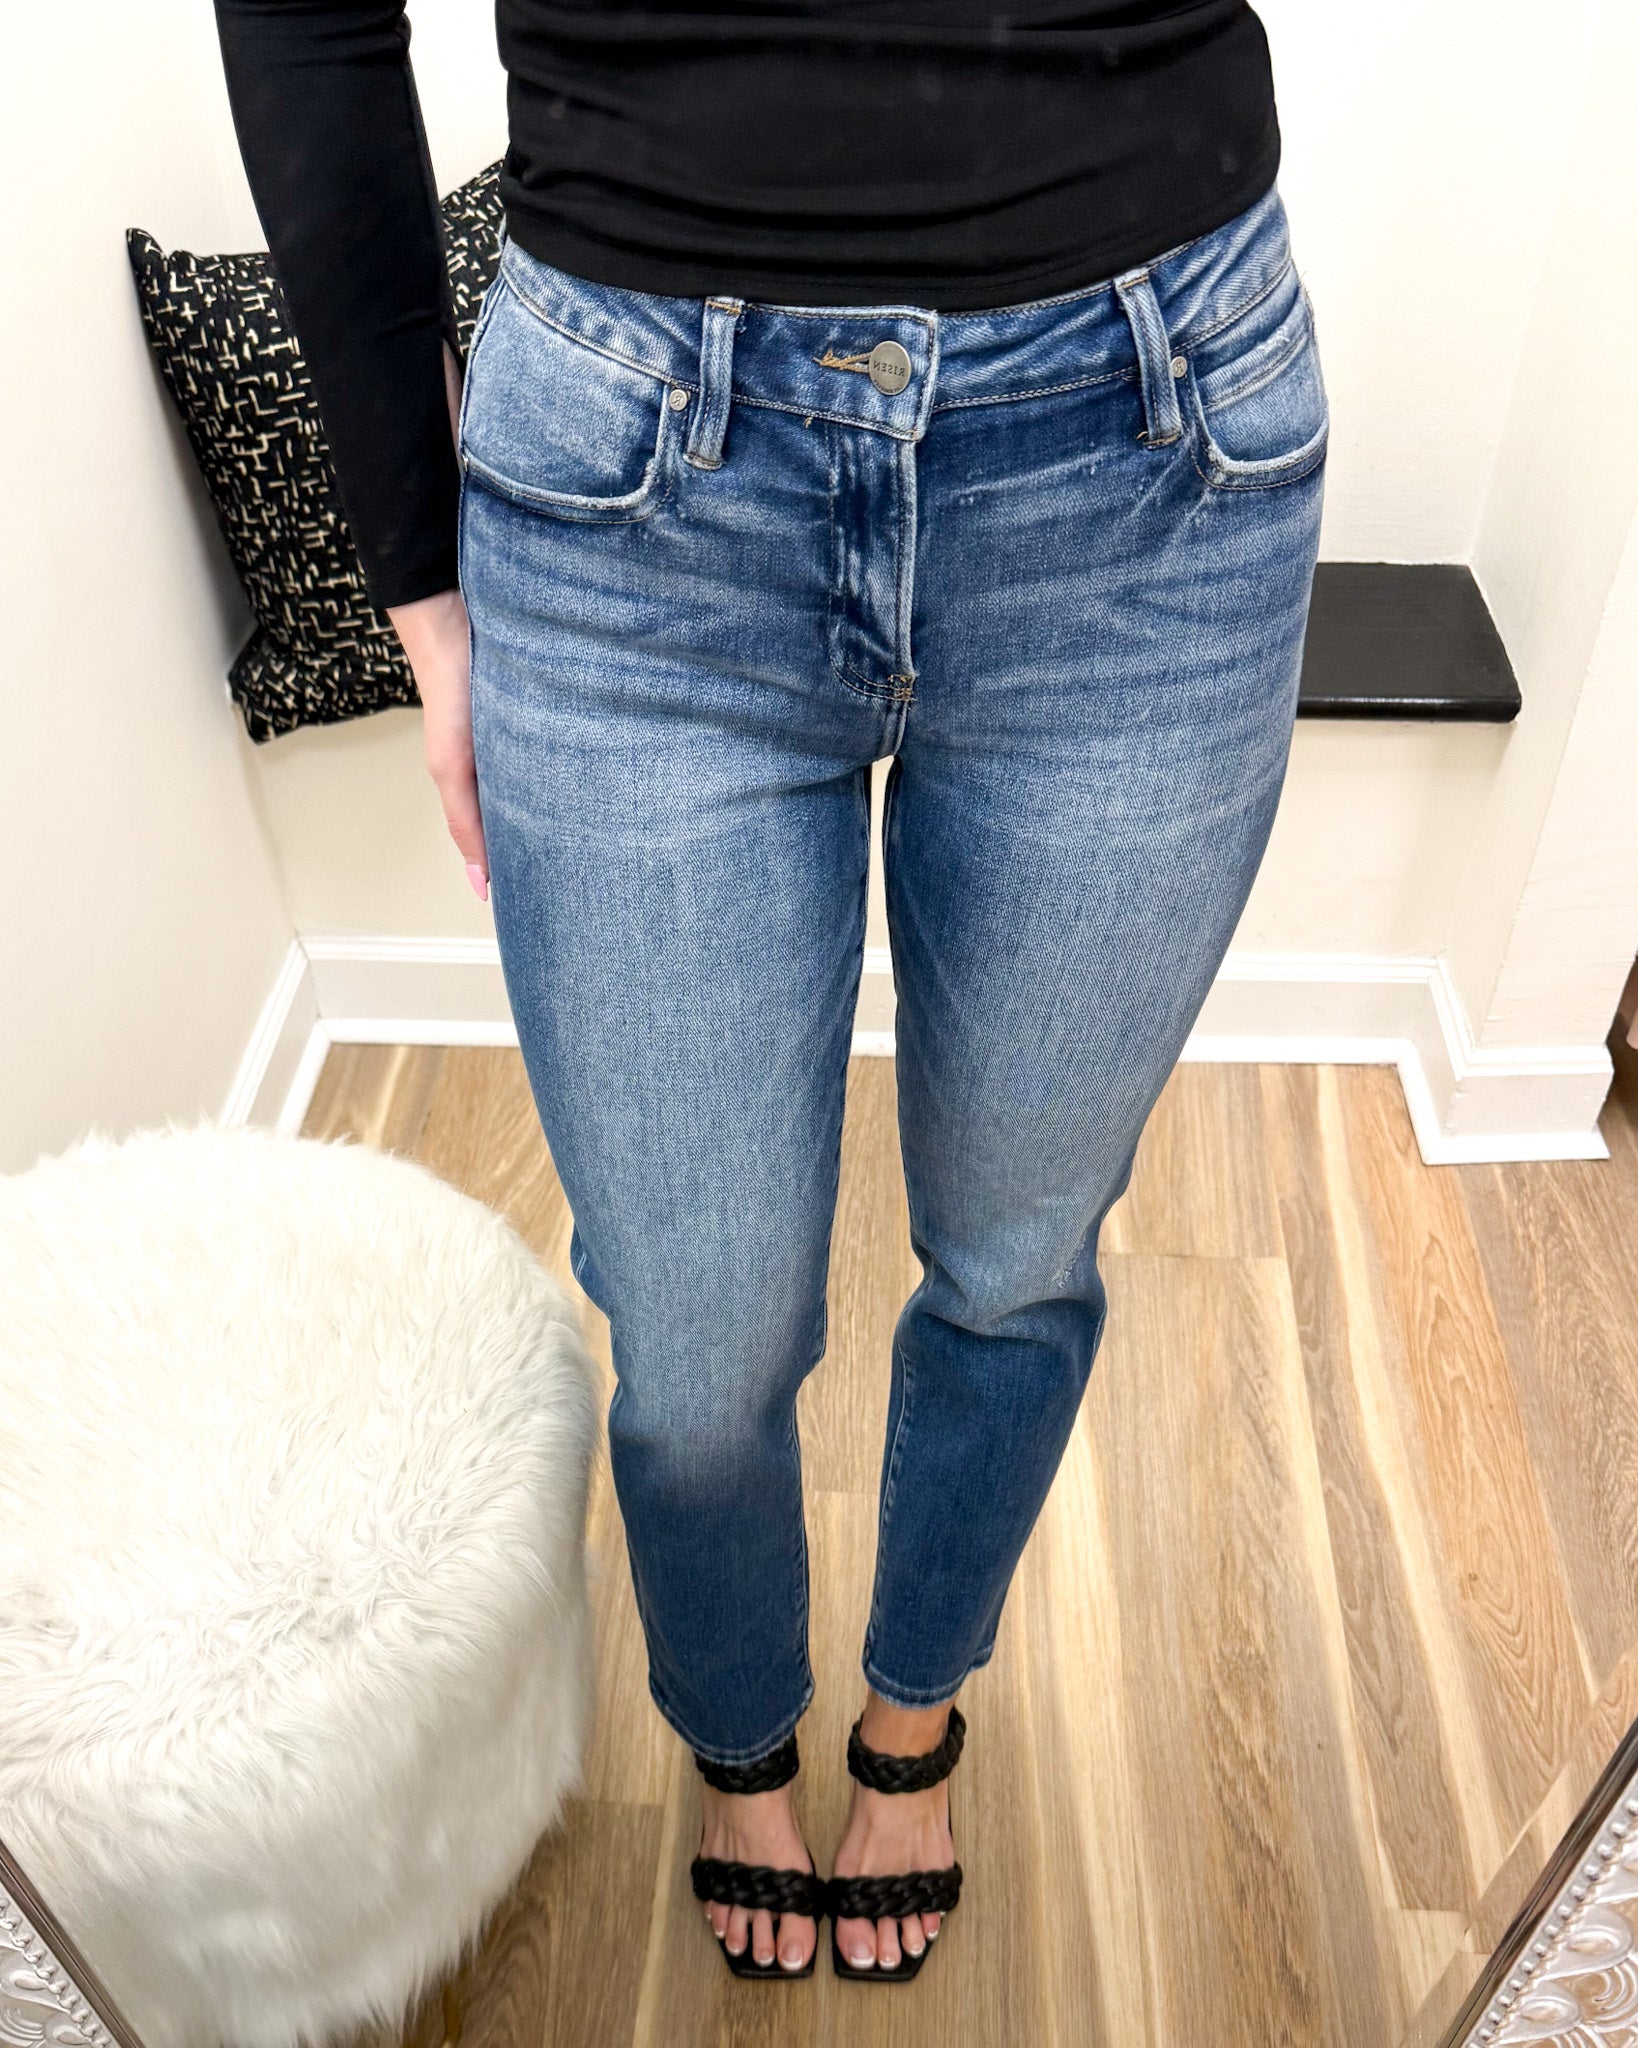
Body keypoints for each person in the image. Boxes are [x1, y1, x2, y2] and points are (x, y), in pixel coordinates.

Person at [213, 0, 1326, 1985]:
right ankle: (736, 1730)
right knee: (700, 1326)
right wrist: (422, 590)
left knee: (1018, 1254)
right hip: (638, 474)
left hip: (1151, 432)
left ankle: (913, 1718)